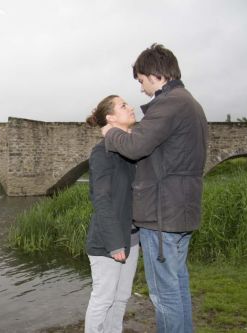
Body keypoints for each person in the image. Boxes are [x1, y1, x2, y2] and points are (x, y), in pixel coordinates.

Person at [101, 43, 208, 333]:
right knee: (178, 284)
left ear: (154, 74)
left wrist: (110, 134)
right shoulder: (192, 103)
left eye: (141, 81)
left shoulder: (169, 103)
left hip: (162, 216)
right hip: (180, 212)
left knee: (164, 294)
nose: (141, 89)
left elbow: (135, 146)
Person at [84, 95, 139, 333]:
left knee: (121, 298)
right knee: (103, 299)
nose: (131, 107)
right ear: (110, 118)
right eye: (123, 105)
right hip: (109, 240)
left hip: (133, 238)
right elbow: (101, 199)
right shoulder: (102, 152)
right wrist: (115, 243)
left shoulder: (131, 149)